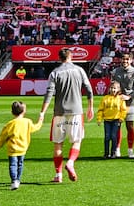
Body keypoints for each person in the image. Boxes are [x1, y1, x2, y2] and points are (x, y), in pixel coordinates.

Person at [40, 46, 94, 182]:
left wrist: (42, 112)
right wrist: (90, 107)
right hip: (76, 111)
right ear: (71, 56)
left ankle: (58, 175)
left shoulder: (55, 72)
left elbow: (49, 93)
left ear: (59, 58)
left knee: (58, 144)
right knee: (77, 140)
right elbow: (89, 89)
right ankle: (70, 162)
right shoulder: (79, 70)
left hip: (59, 112)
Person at [0, 100, 45, 190]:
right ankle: (17, 180)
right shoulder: (27, 121)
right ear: (24, 111)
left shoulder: (10, 124)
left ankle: (14, 181)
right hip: (23, 148)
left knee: (13, 165)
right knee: (20, 164)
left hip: (12, 149)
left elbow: (3, 136)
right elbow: (36, 128)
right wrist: (40, 121)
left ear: (12, 112)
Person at [110, 51, 134, 158]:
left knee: (130, 126)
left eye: (127, 59)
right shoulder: (115, 72)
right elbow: (111, 87)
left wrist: (129, 96)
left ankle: (130, 150)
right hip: (117, 104)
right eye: (123, 59)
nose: (125, 61)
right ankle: (117, 149)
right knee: (117, 126)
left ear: (131, 60)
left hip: (129, 103)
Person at [96, 80, 127, 159]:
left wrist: (121, 118)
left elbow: (123, 110)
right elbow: (101, 110)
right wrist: (99, 119)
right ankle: (106, 153)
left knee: (113, 136)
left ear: (118, 89)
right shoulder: (105, 98)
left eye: (115, 88)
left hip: (116, 120)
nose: (113, 90)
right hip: (107, 121)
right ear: (109, 89)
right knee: (107, 137)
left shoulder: (120, 99)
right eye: (112, 88)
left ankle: (113, 152)